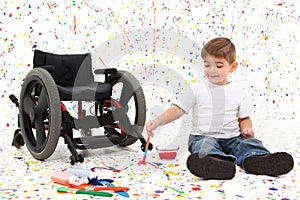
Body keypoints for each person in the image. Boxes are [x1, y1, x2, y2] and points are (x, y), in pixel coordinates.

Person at [146, 37, 294, 180]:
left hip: (233, 138)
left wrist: (247, 129)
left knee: (249, 144)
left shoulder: (238, 92)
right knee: (204, 145)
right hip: (204, 136)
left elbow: (244, 118)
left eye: (218, 65)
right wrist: (158, 121)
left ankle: (258, 159)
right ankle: (215, 163)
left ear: (232, 67)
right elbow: (178, 109)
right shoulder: (197, 89)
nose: (212, 70)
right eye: (207, 65)